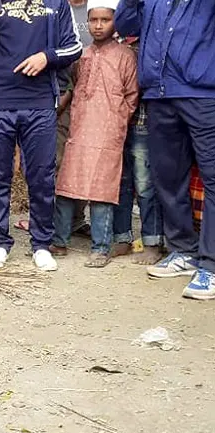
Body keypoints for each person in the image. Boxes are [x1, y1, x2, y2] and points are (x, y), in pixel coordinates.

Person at [0, 0, 82, 271]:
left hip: (40, 102)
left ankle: (41, 244)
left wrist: (47, 57)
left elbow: (74, 46)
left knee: (41, 176)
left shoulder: (56, 4)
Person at [116, 0, 215, 300]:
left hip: (204, 94)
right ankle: (183, 250)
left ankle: (211, 266)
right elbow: (125, 25)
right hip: (159, 93)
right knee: (167, 177)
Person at [51, 0, 138, 268]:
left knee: (102, 191)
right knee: (67, 186)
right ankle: (59, 241)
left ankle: (101, 248)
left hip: (109, 132)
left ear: (115, 22)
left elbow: (131, 96)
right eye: (93, 20)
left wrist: (117, 120)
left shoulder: (125, 56)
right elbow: (75, 87)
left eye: (105, 20)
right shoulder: (83, 56)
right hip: (80, 129)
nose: (98, 26)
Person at [16, 0, 93, 235]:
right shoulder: (51, 6)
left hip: (90, 98)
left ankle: (74, 219)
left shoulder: (94, 8)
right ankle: (47, 220)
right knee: (48, 162)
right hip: (52, 95)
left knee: (79, 159)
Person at [110, 36, 163, 265]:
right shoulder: (115, 43)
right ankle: (122, 237)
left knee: (144, 185)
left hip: (142, 121)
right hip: (115, 124)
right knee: (120, 183)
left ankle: (151, 241)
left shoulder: (149, 42)